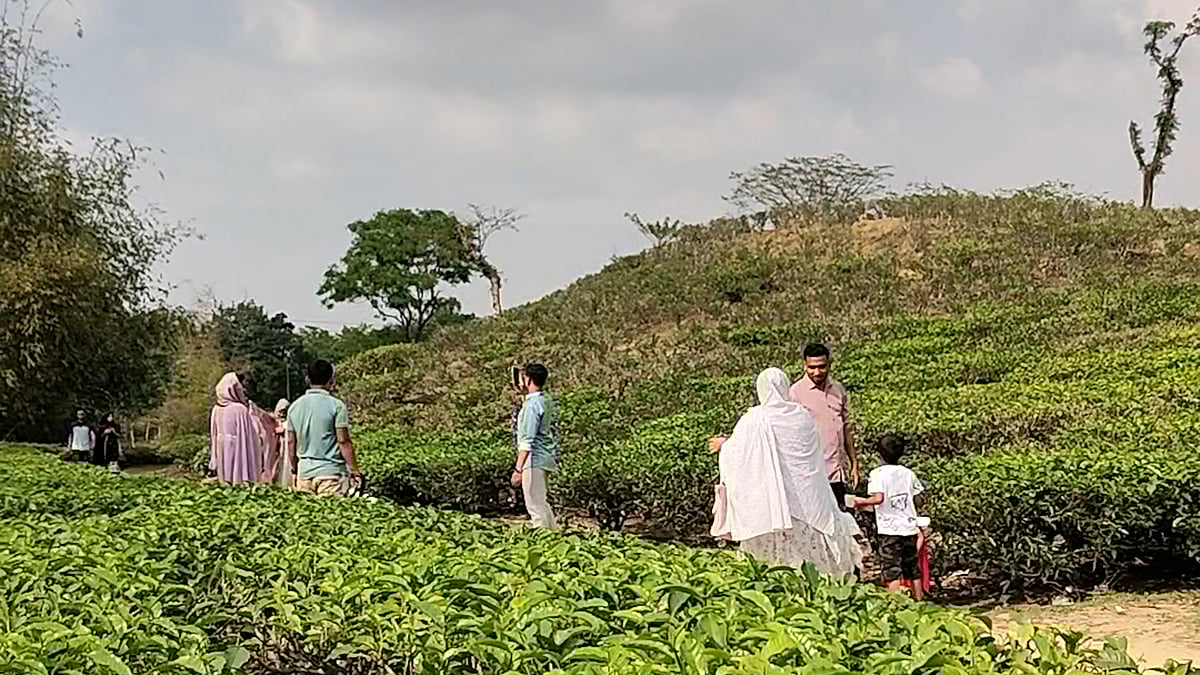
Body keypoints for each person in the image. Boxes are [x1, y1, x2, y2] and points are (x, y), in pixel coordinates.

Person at [709, 368, 862, 576]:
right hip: (809, 498)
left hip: (774, 503)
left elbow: (739, 453)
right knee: (811, 552)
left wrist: (723, 445)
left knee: (777, 558)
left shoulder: (755, 419)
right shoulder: (802, 416)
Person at [852, 434, 927, 600]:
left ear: (879, 453)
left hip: (889, 529)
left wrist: (860, 501)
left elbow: (878, 498)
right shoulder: (908, 473)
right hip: (909, 526)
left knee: (891, 569)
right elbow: (918, 498)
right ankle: (919, 601)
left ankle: (896, 603)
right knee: (912, 568)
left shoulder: (877, 473)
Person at [789, 343, 859, 511]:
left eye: (822, 367)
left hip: (836, 471)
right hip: (811, 473)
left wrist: (854, 464)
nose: (817, 372)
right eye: (812, 367)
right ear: (804, 366)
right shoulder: (795, 393)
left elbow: (846, 429)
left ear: (829, 365)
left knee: (839, 518)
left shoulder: (838, 390)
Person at [287, 360, 360, 497]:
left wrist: (294, 469)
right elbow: (343, 441)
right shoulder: (337, 406)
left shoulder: (294, 407)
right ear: (331, 380)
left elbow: (291, 442)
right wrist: (355, 471)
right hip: (330, 473)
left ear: (307, 379)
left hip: (304, 473)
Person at [510, 362, 560, 529]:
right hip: (545, 458)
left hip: (533, 461)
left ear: (529, 379)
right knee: (542, 503)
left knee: (535, 506)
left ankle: (543, 544)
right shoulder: (544, 400)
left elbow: (527, 441)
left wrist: (518, 469)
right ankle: (555, 537)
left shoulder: (531, 406)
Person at [209, 372, 263, 485]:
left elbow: (213, 434)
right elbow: (251, 434)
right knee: (237, 474)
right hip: (238, 447)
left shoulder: (216, 409)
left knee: (225, 478)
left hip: (221, 446)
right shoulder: (240, 410)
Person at [272, 399, 295, 488]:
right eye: (280, 412)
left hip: (286, 452)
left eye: (284, 412)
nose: (281, 415)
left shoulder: (288, 423)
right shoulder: (273, 422)